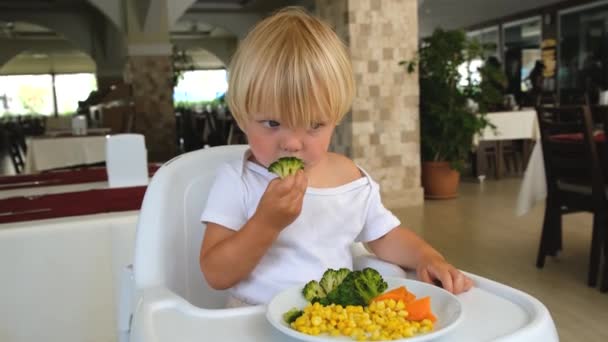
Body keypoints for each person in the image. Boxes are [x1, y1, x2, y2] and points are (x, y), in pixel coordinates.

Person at [199, 7, 473, 307]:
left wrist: (428, 257)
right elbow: (215, 274)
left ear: (336, 118)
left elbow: (385, 236)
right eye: (273, 124)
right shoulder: (237, 181)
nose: (292, 143)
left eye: (314, 125)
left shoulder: (350, 179)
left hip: (334, 323)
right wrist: (265, 223)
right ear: (242, 117)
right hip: (252, 323)